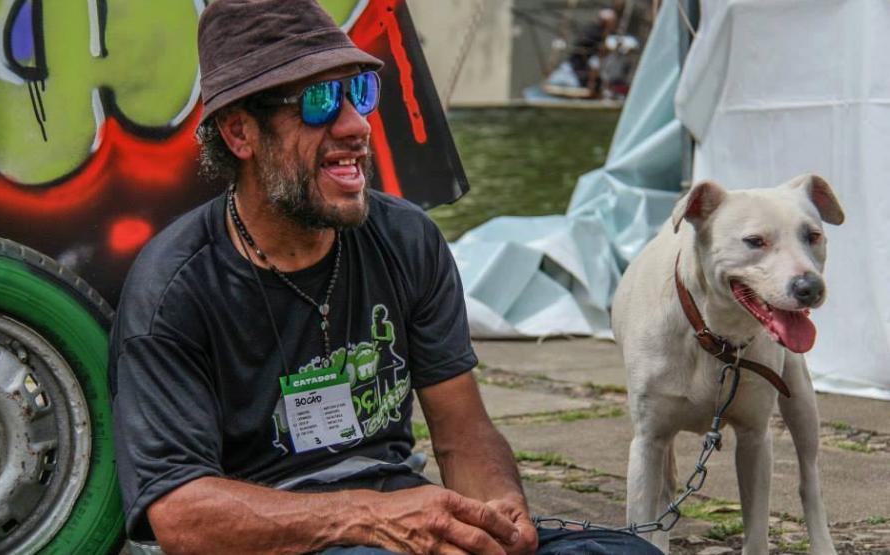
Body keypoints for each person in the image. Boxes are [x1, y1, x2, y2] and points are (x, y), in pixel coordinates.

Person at [109, 1, 663, 554]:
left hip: (397, 517)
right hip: (282, 537)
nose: (355, 124)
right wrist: (368, 517)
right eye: (320, 102)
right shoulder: (174, 289)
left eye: (360, 94)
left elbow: (461, 433)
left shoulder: (406, 239)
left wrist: (499, 513)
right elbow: (181, 517)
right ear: (240, 133)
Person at [568, 8, 618, 96]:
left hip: (586, 65)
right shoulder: (595, 32)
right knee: (594, 83)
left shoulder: (599, 32)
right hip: (581, 66)